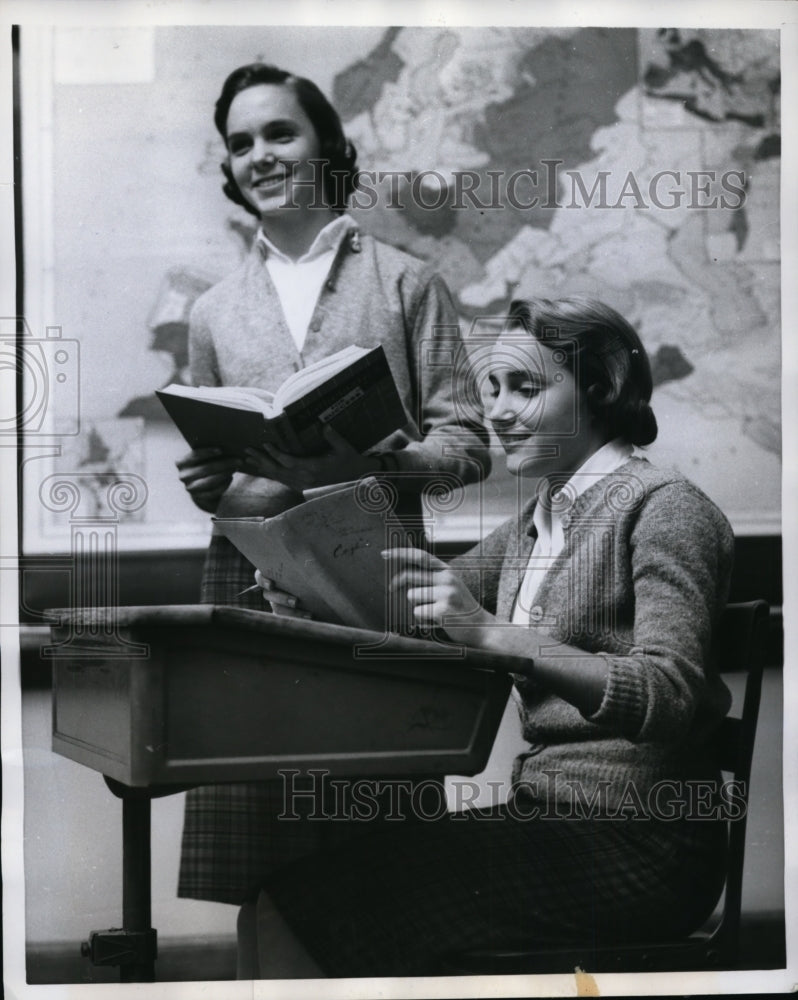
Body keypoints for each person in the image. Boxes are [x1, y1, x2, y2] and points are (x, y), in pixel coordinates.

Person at [250, 296, 736, 978]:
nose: (498, 412)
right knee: (283, 901)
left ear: (599, 388)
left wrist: (490, 632)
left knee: (306, 911)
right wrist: (306, 591)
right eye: (492, 390)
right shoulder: (540, 519)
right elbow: (406, 611)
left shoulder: (666, 509)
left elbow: (671, 693)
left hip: (643, 843)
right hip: (550, 819)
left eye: (526, 388)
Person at [174, 63, 490, 926]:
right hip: (250, 583)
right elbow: (224, 472)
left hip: (373, 579)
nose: (260, 156)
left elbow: (468, 447)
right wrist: (210, 485)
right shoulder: (211, 313)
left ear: (328, 146)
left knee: (384, 847)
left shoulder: (406, 284)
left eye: (280, 133)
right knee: (262, 851)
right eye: (241, 144)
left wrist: (385, 464)